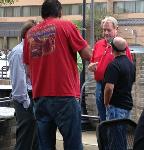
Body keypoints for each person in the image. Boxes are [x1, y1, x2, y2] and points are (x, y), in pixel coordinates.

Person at [23, 0, 91, 150]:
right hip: (64, 95)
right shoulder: (66, 26)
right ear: (59, 12)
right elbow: (87, 54)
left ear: (43, 13)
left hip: (40, 96)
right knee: (73, 144)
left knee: (45, 145)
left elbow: (28, 71)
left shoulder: (30, 34)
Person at [88, 16, 132, 121]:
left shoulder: (122, 46)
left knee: (113, 121)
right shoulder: (98, 45)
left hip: (114, 89)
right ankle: (103, 137)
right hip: (99, 86)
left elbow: (128, 67)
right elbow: (92, 62)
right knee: (103, 119)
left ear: (116, 29)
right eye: (104, 30)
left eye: (109, 30)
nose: (106, 33)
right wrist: (91, 67)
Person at [8, 20, 39, 150]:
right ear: (28, 34)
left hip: (34, 97)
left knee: (35, 137)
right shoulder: (18, 52)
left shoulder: (34, 51)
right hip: (25, 99)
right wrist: (26, 103)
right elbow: (18, 82)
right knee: (25, 138)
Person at [103, 37, 136, 150]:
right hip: (127, 107)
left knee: (115, 141)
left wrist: (106, 102)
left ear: (112, 48)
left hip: (116, 107)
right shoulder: (131, 65)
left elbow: (109, 88)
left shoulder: (113, 65)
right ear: (125, 49)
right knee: (122, 138)